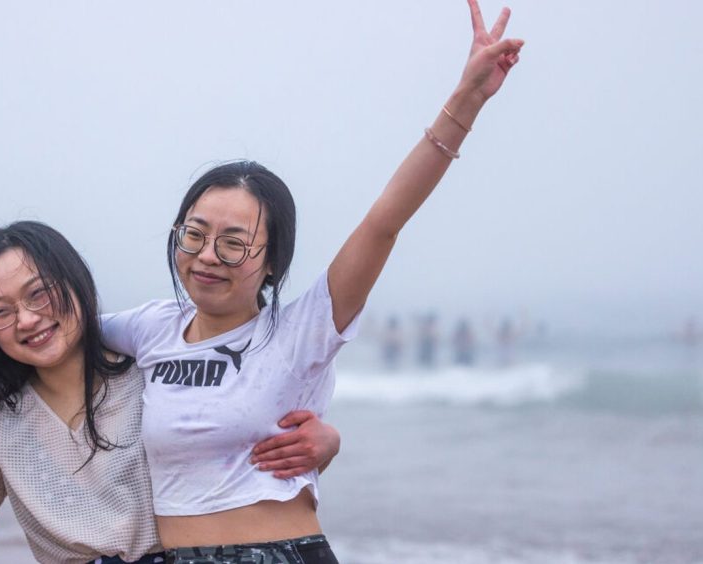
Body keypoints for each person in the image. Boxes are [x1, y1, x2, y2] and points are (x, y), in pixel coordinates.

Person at [102, 2, 523, 561]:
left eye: (233, 243)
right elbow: (53, 340)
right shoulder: (149, 327)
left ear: (272, 259)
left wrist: (466, 99)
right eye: (194, 235)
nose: (206, 257)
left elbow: (384, 223)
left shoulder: (301, 330)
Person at [0, 222, 340, 563]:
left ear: (74, 281)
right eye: (1, 312)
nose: (27, 319)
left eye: (39, 294)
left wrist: (327, 443)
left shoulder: (152, 372)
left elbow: (236, 446)